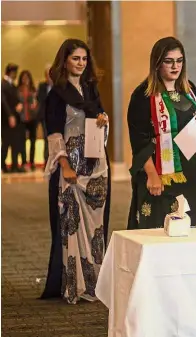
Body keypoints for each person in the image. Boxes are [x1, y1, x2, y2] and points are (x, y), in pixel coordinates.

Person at [40, 38, 111, 304]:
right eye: (75, 59)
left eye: (84, 59)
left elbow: (100, 120)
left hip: (96, 169)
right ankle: (75, 284)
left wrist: (103, 121)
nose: (80, 63)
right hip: (71, 172)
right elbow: (54, 134)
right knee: (71, 227)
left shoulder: (91, 90)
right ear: (65, 61)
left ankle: (95, 284)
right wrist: (66, 167)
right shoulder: (56, 94)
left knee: (96, 228)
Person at [127, 36, 196, 229]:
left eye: (179, 61)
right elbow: (139, 141)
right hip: (163, 176)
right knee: (163, 229)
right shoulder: (143, 95)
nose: (175, 67)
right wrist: (152, 175)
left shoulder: (189, 88)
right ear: (157, 63)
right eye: (168, 61)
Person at [1, 63, 25, 173]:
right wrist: (10, 115)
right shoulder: (3, 84)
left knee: (15, 142)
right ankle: (2, 165)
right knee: (6, 143)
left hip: (15, 118)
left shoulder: (12, 85)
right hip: (6, 119)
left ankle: (15, 165)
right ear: (11, 72)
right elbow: (3, 102)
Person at [17, 70, 38, 170]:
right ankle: (24, 162)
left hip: (32, 118)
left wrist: (35, 104)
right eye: (23, 77)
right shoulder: (18, 90)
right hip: (21, 119)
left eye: (27, 77)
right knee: (22, 141)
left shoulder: (33, 90)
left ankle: (32, 162)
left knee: (33, 141)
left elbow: (37, 103)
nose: (25, 79)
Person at [37, 65, 53, 167]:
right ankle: (47, 161)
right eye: (47, 75)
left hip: (57, 117)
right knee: (47, 139)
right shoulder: (42, 86)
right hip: (45, 117)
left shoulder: (59, 86)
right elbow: (41, 100)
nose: (49, 77)